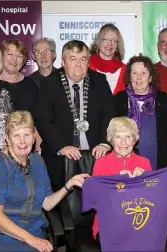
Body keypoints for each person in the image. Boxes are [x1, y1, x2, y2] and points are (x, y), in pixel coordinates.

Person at [0, 111, 89, 252]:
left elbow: (46, 203)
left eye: (27, 135)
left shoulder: (38, 161)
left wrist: (69, 184)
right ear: (7, 139)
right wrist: (32, 240)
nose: (23, 141)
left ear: (34, 137)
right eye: (16, 136)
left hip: (31, 231)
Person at [34, 40, 115, 190]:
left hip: (95, 155)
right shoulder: (49, 83)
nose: (78, 64)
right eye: (73, 59)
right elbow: (42, 120)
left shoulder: (100, 81)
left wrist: (105, 142)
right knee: (61, 206)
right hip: (61, 157)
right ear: (63, 62)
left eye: (83, 59)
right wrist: (61, 146)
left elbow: (110, 115)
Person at [91, 117, 152, 242]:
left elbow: (151, 200)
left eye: (128, 137)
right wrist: (116, 183)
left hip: (137, 221)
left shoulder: (144, 163)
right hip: (108, 223)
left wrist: (142, 183)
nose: (123, 143)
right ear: (111, 141)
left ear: (134, 141)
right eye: (118, 137)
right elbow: (94, 200)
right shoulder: (101, 163)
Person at [113, 55, 167, 169]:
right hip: (124, 165)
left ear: (151, 77)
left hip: (157, 164)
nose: (139, 78)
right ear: (129, 76)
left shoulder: (163, 100)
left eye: (143, 73)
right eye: (135, 73)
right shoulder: (119, 100)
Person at [0, 39, 38, 112]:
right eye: (10, 54)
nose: (14, 59)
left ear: (23, 60)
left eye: (19, 55)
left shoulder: (30, 86)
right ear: (1, 56)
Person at [89, 23, 126, 95]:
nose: (110, 44)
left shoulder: (125, 70)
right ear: (99, 42)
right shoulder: (86, 67)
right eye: (106, 39)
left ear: (118, 45)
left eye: (114, 41)